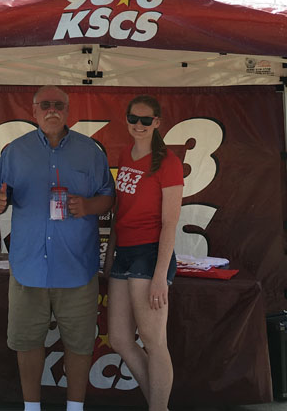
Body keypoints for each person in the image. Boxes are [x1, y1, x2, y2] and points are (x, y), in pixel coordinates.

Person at [0, 86, 114, 411]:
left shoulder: (91, 152)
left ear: (68, 111)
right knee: (27, 343)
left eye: (59, 104)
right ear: (34, 111)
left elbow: (108, 196)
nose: (52, 110)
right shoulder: (15, 152)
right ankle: (32, 408)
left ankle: (75, 408)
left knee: (80, 345)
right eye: (45, 104)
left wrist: (88, 206)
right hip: (29, 268)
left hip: (77, 268)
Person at [105, 95, 183, 411]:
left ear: (157, 123)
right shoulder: (125, 154)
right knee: (120, 339)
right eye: (133, 118)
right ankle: (158, 405)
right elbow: (120, 210)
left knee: (154, 341)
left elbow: (170, 223)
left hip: (150, 254)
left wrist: (160, 275)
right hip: (124, 252)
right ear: (126, 119)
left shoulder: (168, 163)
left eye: (146, 120)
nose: (139, 125)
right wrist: (110, 252)